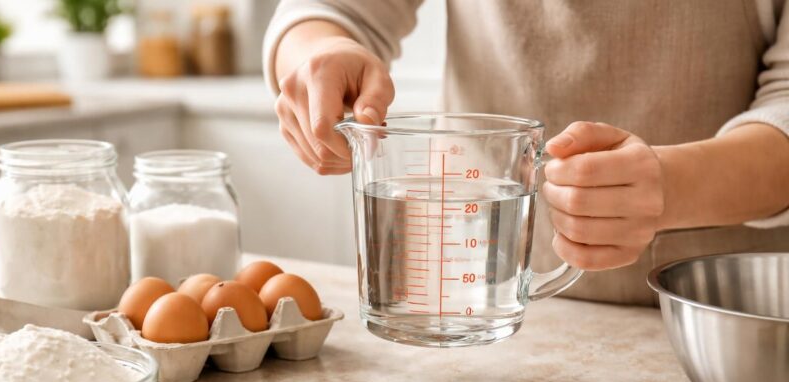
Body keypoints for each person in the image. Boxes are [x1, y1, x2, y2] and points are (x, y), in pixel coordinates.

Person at [263, 1, 789, 305]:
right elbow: (327, 10)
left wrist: (673, 186)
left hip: (725, 322)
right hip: (477, 307)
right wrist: (320, 52)